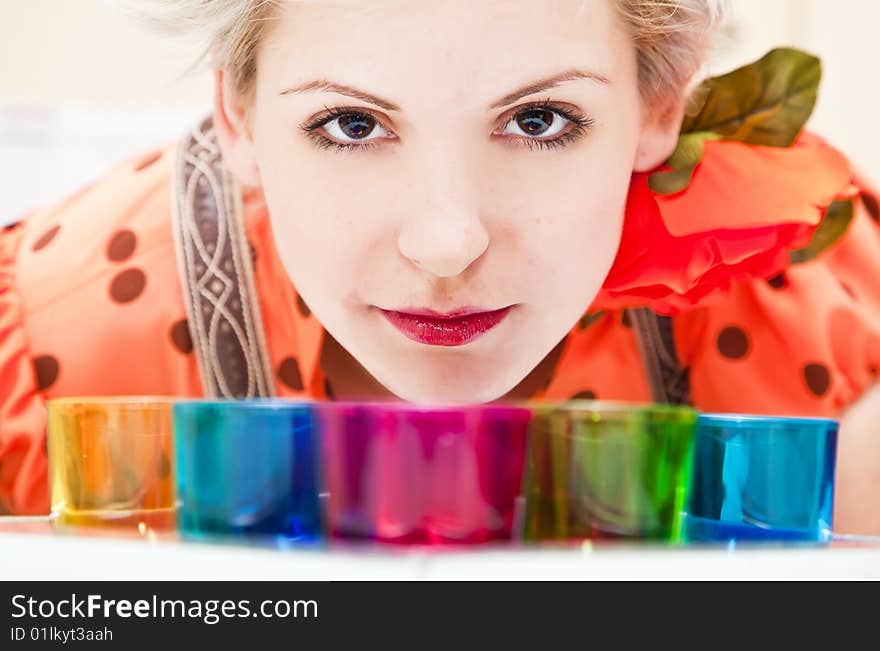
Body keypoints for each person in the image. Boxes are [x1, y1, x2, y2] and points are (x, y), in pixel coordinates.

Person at [1, 0, 878, 535]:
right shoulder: (44, 366)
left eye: (539, 121)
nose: (448, 241)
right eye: (350, 124)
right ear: (239, 115)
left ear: (661, 101)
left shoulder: (830, 329)